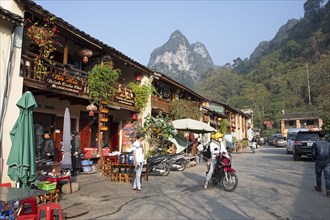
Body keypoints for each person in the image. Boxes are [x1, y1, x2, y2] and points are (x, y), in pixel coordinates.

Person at [311, 132, 330, 197]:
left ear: (318, 136)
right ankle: (328, 191)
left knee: (318, 175)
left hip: (318, 161)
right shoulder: (328, 144)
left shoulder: (316, 143)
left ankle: (319, 187)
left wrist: (314, 159)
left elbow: (313, 153)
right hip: (327, 162)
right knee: (327, 177)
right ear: (325, 136)